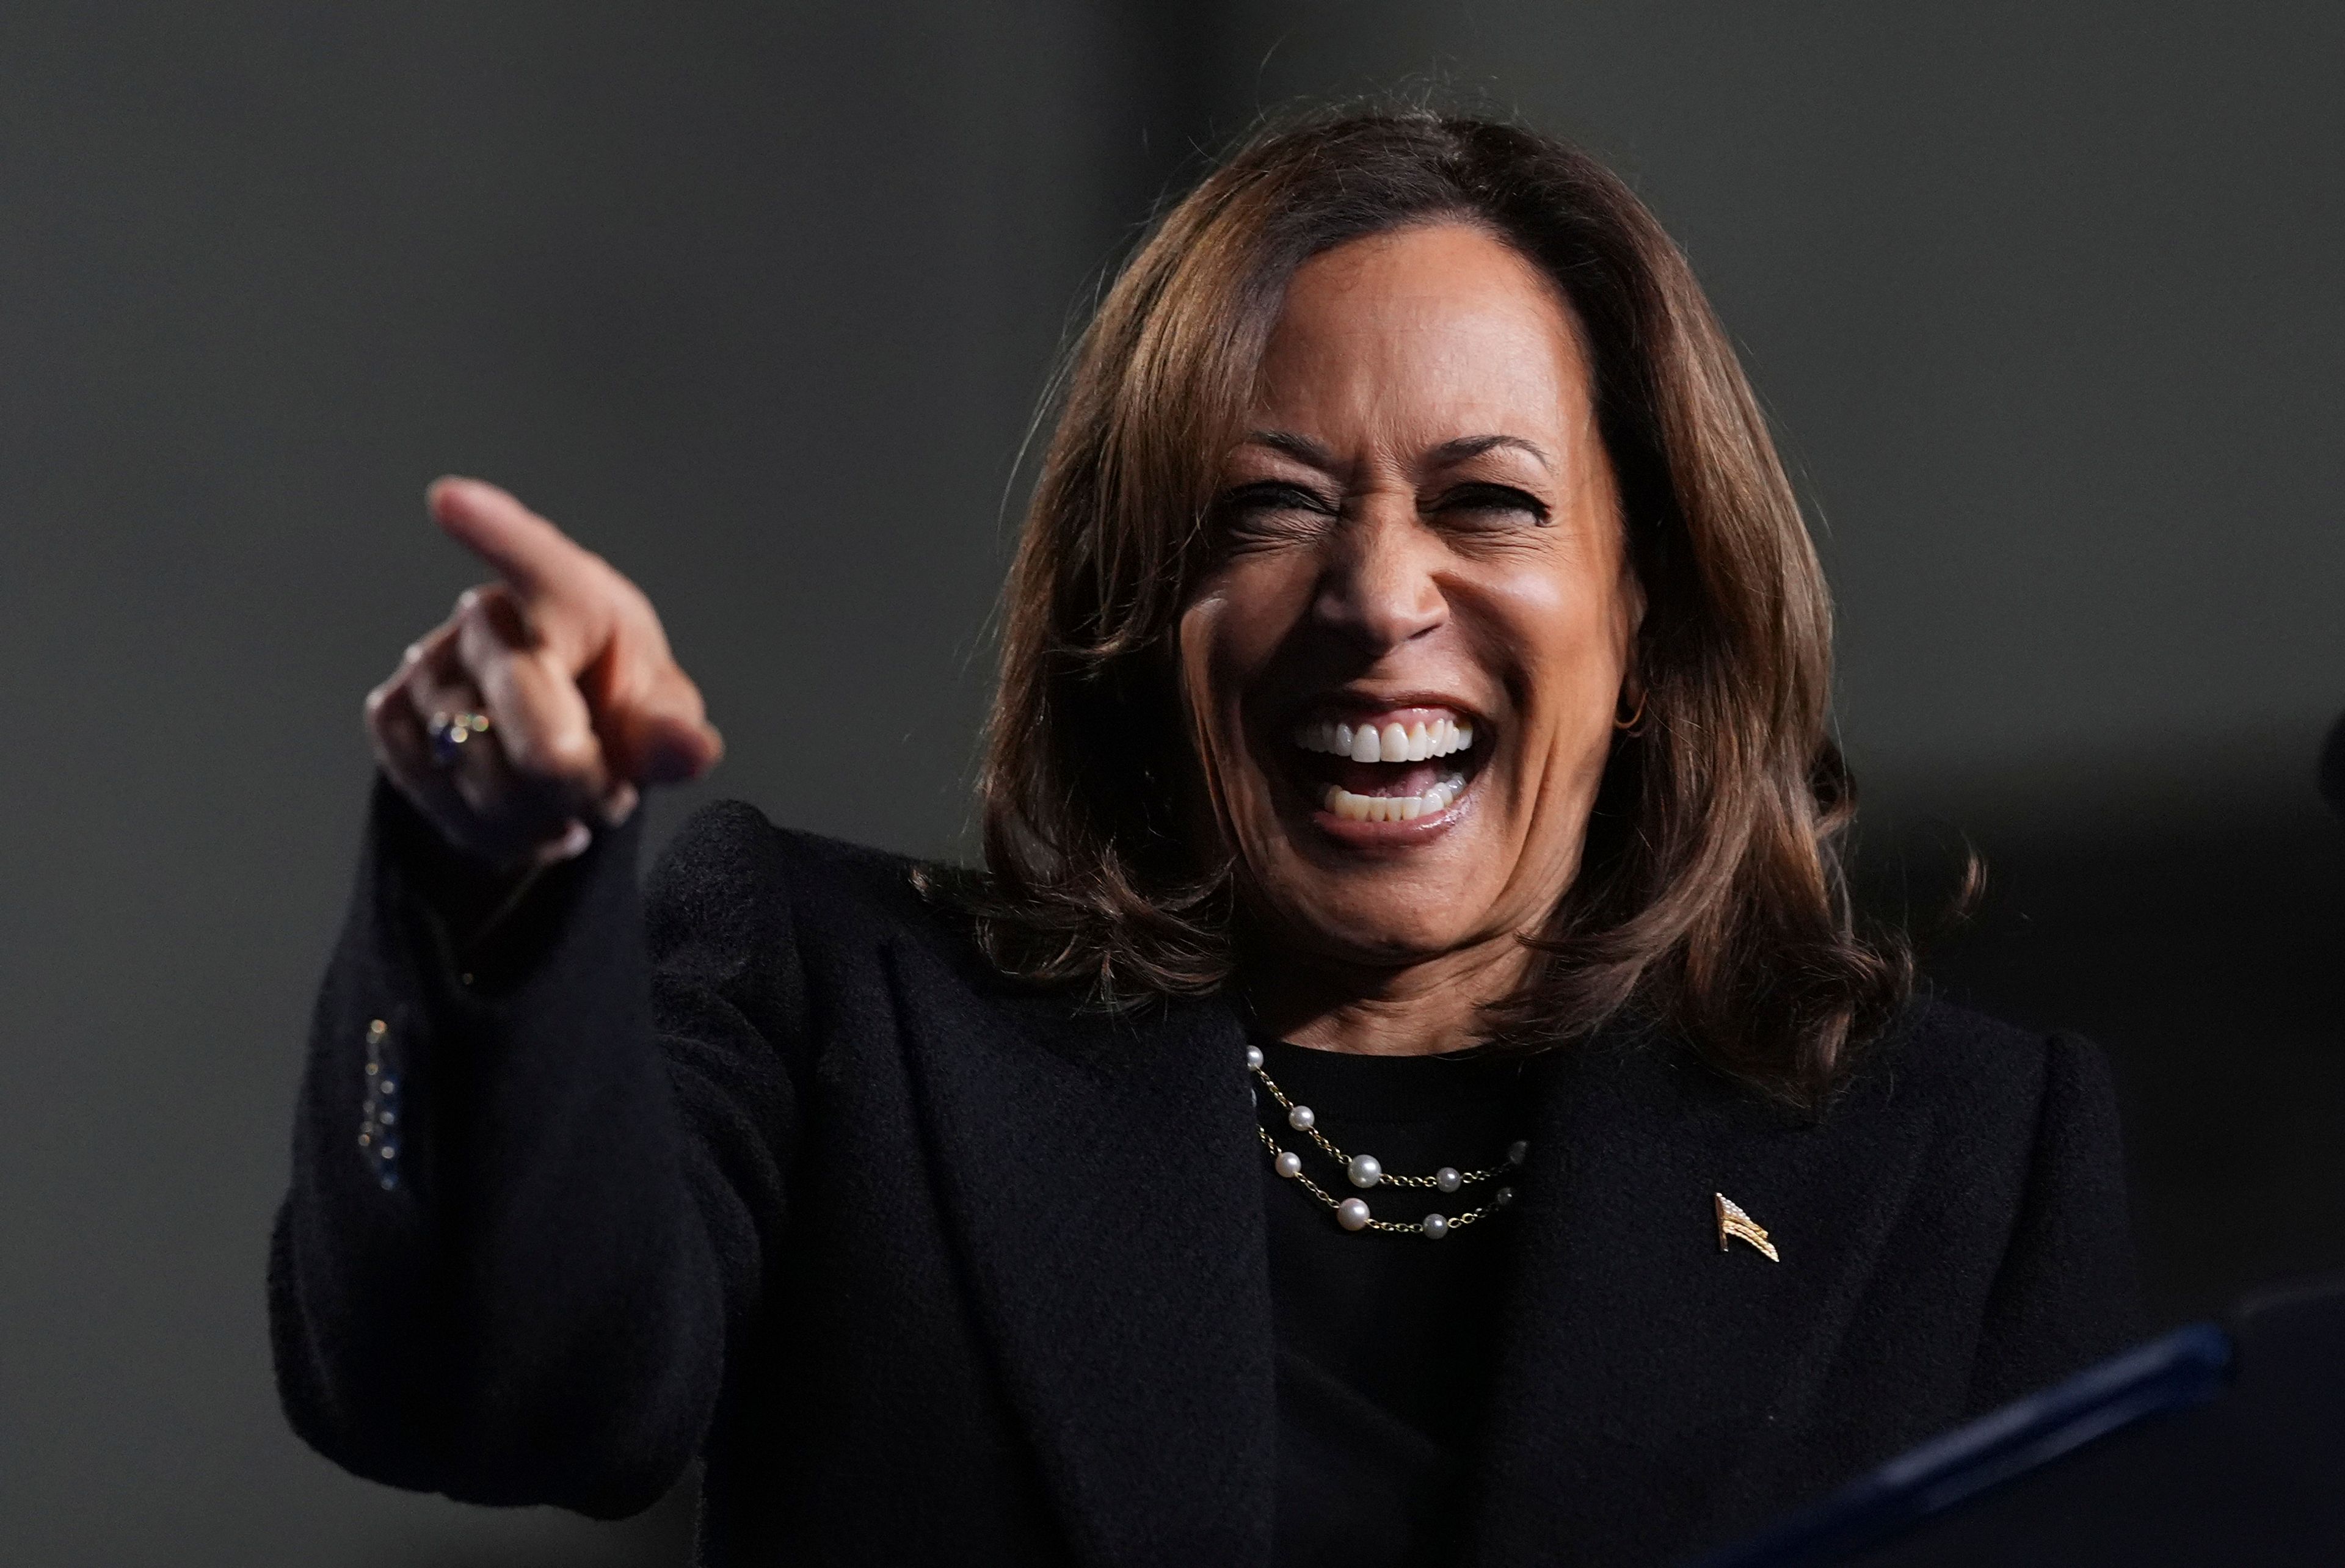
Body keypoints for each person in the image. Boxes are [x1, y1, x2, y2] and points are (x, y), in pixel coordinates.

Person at [268, 109, 2140, 1568]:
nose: (1376, 595)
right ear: (1137, 616)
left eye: (1490, 503)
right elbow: (494, 1402)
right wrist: (498, 887)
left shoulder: (1961, 1161)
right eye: (1267, 512)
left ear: (1645, 609)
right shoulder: (842, 1014)